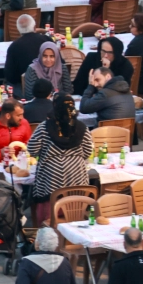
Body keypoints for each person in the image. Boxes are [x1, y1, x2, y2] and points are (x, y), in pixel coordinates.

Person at [28, 96, 93, 225]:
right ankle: (75, 224)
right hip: (77, 175)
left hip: (51, 178)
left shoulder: (44, 127)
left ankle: (51, 231)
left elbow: (32, 149)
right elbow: (87, 151)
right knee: (75, 203)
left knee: (50, 206)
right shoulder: (82, 128)